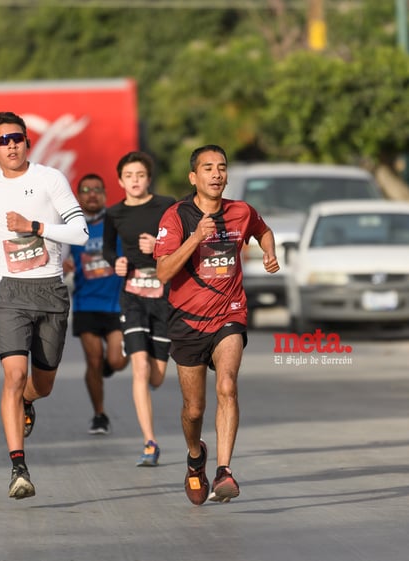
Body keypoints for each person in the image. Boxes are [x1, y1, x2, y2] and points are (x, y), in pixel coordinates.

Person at [0, 111, 89, 500]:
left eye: (17, 138)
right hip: (10, 293)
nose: (11, 145)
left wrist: (35, 227)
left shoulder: (49, 179)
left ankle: (27, 402)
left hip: (51, 290)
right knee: (13, 375)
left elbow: (81, 232)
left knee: (42, 385)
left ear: (27, 142)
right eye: (2, 141)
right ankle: (18, 467)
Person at [153, 144, 279, 505]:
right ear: (194, 177)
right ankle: (196, 457)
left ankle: (225, 470)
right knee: (194, 410)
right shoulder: (176, 217)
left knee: (227, 386)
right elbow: (163, 271)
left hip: (230, 313)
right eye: (207, 168)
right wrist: (195, 237)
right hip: (187, 321)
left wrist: (270, 252)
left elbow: (263, 230)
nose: (216, 174)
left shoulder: (241, 211)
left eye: (221, 167)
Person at [103, 151, 176, 466]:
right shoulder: (114, 213)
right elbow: (108, 249)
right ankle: (150, 442)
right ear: (120, 181)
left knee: (156, 376)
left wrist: (158, 248)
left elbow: (183, 242)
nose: (134, 180)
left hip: (164, 297)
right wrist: (115, 262)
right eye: (128, 175)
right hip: (132, 296)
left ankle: (148, 364)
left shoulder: (167, 206)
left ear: (149, 179)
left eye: (140, 175)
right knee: (140, 368)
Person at [64, 174, 129, 435]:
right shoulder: (71, 228)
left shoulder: (117, 223)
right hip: (86, 304)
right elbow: (60, 260)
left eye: (97, 190)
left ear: (104, 194)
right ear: (78, 196)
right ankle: (99, 414)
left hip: (116, 303)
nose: (92, 194)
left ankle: (107, 365)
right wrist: (65, 266)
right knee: (92, 361)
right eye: (86, 190)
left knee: (116, 361)